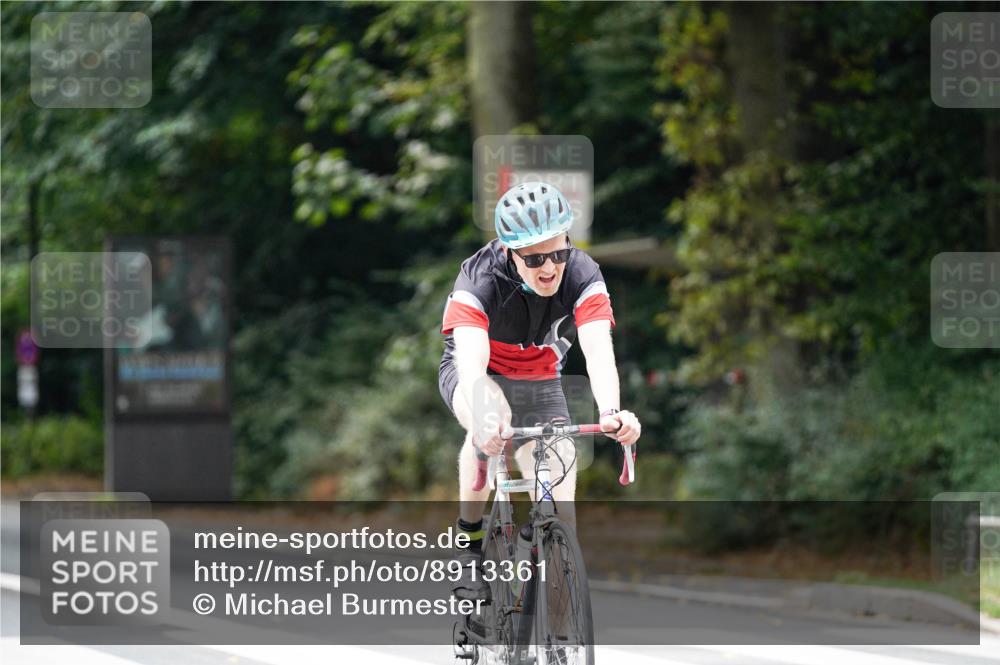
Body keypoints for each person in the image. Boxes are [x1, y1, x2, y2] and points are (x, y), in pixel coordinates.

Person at [439, 181, 641, 601]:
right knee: (488, 423)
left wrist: (612, 412)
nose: (549, 268)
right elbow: (472, 365)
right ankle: (469, 545)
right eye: (534, 259)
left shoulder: (584, 274)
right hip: (480, 374)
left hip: (540, 378)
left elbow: (598, 350)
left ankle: (547, 562)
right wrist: (485, 418)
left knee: (561, 488)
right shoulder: (479, 279)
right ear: (510, 252)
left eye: (558, 253)